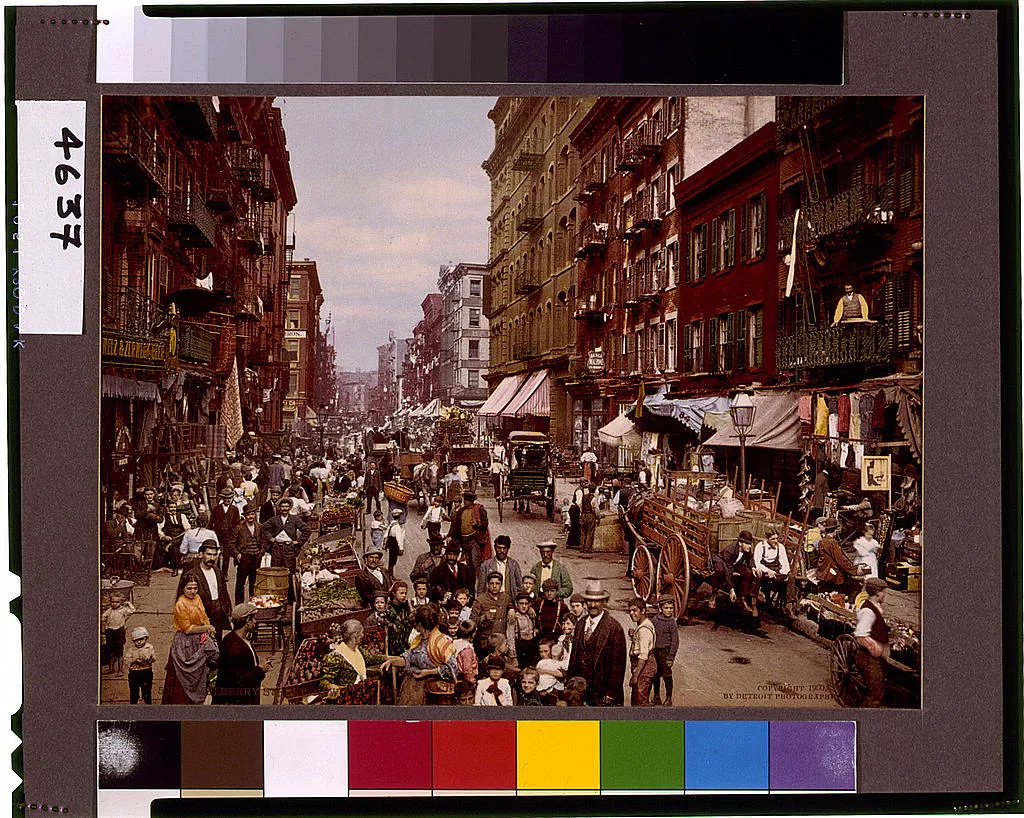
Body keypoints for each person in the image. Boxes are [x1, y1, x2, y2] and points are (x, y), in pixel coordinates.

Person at [382, 603, 458, 706]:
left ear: (421, 624)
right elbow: (409, 658)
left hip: (434, 691)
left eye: (416, 623)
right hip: (413, 688)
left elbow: (453, 668)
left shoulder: (441, 641)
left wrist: (428, 672)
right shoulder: (418, 640)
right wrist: (392, 661)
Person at [566, 580, 627, 706]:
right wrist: (570, 683)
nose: (593, 605)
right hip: (580, 689)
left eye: (597, 601)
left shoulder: (614, 628)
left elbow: (618, 665)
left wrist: (611, 692)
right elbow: (574, 657)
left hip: (602, 690)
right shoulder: (580, 624)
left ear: (604, 602)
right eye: (589, 601)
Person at [161, 577, 220, 704]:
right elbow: (187, 629)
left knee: (201, 673)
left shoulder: (197, 598)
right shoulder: (180, 604)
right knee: (183, 677)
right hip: (185, 643)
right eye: (189, 588)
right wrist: (207, 628)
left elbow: (204, 617)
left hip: (199, 638)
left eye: (195, 588)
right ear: (182, 588)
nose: (193, 591)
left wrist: (207, 629)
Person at [212, 602, 266, 705]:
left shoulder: (234, 638)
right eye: (253, 619)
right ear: (247, 621)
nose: (255, 622)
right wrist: (260, 669)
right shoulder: (235, 647)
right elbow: (240, 681)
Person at [177, 540, 232, 637]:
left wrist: (228, 613)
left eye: (214, 555)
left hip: (217, 614)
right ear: (201, 554)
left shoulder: (218, 573)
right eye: (209, 554)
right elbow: (181, 598)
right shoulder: (192, 574)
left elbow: (224, 594)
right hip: (200, 615)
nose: (212, 558)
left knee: (217, 641)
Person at [322, 619, 388, 698]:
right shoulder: (336, 656)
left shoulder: (359, 650)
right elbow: (323, 681)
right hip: (346, 698)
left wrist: (389, 658)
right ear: (355, 634)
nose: (362, 635)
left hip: (362, 694)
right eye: (361, 633)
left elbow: (371, 658)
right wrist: (331, 686)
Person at [261, 497, 311, 599]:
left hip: (289, 549)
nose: (284, 509)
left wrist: (299, 542)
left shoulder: (295, 519)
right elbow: (263, 528)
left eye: (287, 507)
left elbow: (307, 530)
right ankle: (277, 596)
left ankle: (290, 597)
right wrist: (270, 538)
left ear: (290, 508)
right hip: (277, 549)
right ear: (279, 508)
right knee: (276, 571)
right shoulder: (274, 520)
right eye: (282, 507)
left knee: (290, 572)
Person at [853, 577, 890, 707]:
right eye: (884, 591)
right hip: (868, 659)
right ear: (877, 593)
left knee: (879, 688)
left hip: (874, 657)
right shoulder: (868, 612)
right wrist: (876, 647)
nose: (885, 595)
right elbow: (860, 635)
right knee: (875, 695)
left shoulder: (875, 607)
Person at [709, 530, 760, 616]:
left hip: (734, 564)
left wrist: (753, 567)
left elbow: (750, 558)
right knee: (720, 571)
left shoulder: (747, 550)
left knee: (748, 573)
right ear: (740, 543)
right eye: (747, 543)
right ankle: (713, 595)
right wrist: (731, 590)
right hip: (722, 563)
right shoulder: (729, 551)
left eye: (750, 544)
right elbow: (728, 570)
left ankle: (743, 599)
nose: (749, 546)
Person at [815, 517, 866, 597]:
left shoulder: (822, 541)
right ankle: (849, 603)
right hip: (831, 575)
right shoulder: (832, 542)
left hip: (823, 573)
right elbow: (841, 561)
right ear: (835, 530)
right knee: (856, 586)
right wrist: (855, 570)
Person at [448, 490, 492, 582]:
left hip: (474, 540)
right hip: (464, 542)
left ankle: (481, 583)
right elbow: (456, 526)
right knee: (469, 566)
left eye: (467, 500)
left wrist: (478, 524)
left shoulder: (479, 509)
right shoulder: (461, 511)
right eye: (465, 500)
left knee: (476, 564)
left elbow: (485, 523)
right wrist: (453, 537)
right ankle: (471, 584)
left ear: (472, 501)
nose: (465, 502)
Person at [231, 504, 266, 604]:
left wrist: (261, 552)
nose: (250, 517)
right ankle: (239, 606)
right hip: (244, 558)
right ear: (244, 516)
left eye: (252, 514)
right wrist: (237, 554)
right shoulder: (239, 528)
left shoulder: (260, 526)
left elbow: (264, 541)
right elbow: (231, 543)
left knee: (254, 582)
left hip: (256, 557)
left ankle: (253, 604)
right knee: (240, 583)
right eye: (248, 515)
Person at [627, 597, 657, 706]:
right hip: (644, 667)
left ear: (643, 610)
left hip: (644, 667)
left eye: (634, 610)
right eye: (630, 611)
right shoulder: (644, 625)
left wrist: (635, 676)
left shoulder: (644, 630)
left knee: (640, 701)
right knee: (639, 699)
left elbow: (644, 655)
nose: (631, 613)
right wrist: (634, 635)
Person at [471, 572, 513, 651]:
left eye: (497, 583)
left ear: (501, 585)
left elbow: (512, 605)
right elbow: (472, 621)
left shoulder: (506, 598)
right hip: (485, 641)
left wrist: (511, 609)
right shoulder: (480, 600)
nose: (494, 586)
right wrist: (484, 617)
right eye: (491, 583)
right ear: (487, 585)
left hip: (501, 640)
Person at [650, 596, 679, 706]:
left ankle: (668, 697)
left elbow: (675, 641)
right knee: (655, 675)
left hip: (665, 652)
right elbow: (650, 632)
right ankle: (656, 696)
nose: (669, 610)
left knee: (667, 675)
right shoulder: (655, 620)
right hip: (655, 652)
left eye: (671, 608)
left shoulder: (672, 622)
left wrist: (670, 657)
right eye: (666, 608)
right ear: (660, 608)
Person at [753, 529, 792, 609]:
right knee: (764, 579)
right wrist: (768, 571)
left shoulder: (780, 547)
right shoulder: (760, 546)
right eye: (773, 539)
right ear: (767, 539)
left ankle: (789, 603)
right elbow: (757, 563)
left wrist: (784, 573)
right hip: (765, 570)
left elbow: (785, 563)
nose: (776, 541)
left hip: (776, 570)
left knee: (791, 577)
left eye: (777, 538)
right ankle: (761, 600)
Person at [428, 541, 475, 605]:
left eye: (454, 555)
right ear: (446, 555)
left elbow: (471, 587)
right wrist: (443, 594)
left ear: (458, 555)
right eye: (450, 554)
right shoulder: (438, 570)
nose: (452, 557)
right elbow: (432, 590)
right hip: (446, 605)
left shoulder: (465, 569)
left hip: (464, 604)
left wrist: (469, 599)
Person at [101, 593, 136, 675]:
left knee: (119, 651)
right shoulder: (109, 610)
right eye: (112, 602)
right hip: (110, 631)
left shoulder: (123, 610)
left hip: (119, 631)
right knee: (110, 651)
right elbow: (103, 617)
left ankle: (120, 670)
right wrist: (105, 624)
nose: (114, 604)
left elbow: (133, 610)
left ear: (121, 602)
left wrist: (128, 603)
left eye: (117, 602)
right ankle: (111, 668)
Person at [209, 487, 241, 574]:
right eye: (226, 498)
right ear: (222, 498)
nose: (228, 500)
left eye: (230, 498)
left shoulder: (235, 509)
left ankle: (224, 573)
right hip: (218, 534)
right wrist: (209, 532)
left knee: (226, 555)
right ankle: (216, 571)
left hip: (229, 534)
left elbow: (237, 523)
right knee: (217, 553)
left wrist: (236, 534)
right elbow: (211, 521)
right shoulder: (217, 509)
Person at [507, 591, 540, 668]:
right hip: (520, 649)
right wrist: (513, 657)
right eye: (521, 603)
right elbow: (510, 637)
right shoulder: (514, 617)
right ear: (516, 604)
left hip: (532, 648)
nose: (524, 606)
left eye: (526, 604)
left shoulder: (531, 615)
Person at [124, 626, 155, 704]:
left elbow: (153, 658)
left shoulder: (149, 647)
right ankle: (134, 704)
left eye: (141, 639)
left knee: (147, 691)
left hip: (146, 672)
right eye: (136, 640)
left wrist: (149, 658)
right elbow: (126, 661)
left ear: (146, 638)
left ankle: (148, 704)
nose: (139, 642)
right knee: (134, 692)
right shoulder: (131, 650)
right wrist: (134, 660)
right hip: (134, 673)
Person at [535, 638, 568, 703]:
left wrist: (544, 671)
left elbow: (561, 674)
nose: (543, 654)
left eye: (546, 651)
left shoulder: (556, 662)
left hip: (554, 691)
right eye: (541, 652)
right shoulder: (540, 662)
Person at [385, 581, 414, 653]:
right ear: (394, 593)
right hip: (392, 644)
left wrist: (410, 607)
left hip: (405, 643)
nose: (404, 595)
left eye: (405, 593)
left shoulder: (407, 607)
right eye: (401, 593)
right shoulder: (388, 607)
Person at [384, 508, 406, 574]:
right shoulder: (397, 526)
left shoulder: (391, 524)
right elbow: (399, 538)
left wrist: (384, 543)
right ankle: (391, 574)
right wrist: (401, 548)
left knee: (391, 557)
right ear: (399, 517)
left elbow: (386, 535)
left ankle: (390, 572)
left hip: (390, 541)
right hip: (394, 543)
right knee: (393, 559)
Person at [580, 484, 599, 553]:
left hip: (583, 514)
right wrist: (598, 516)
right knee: (590, 533)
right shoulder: (594, 498)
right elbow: (596, 509)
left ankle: (581, 547)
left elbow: (581, 506)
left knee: (583, 532)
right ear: (595, 490)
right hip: (590, 515)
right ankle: (587, 549)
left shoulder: (584, 496)